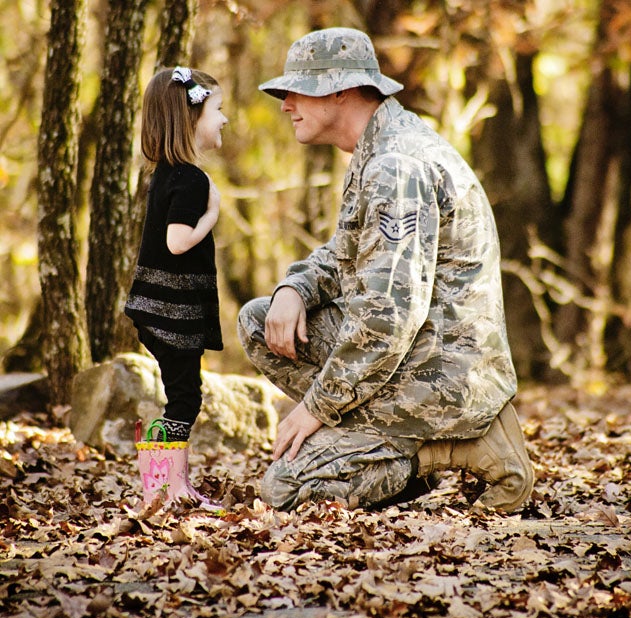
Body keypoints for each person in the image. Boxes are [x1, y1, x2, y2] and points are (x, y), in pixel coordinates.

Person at [238, 28, 534, 513]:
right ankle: (374, 445)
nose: (286, 103)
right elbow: (344, 256)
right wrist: (294, 287)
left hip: (439, 372)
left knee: (285, 491)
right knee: (260, 320)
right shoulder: (378, 150)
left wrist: (315, 409)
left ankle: (452, 446)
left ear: (340, 89)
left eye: (297, 90)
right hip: (415, 353)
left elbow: (386, 318)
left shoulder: (395, 165)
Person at [125, 66, 228, 507]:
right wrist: (212, 216)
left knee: (182, 396)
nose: (224, 120)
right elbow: (177, 241)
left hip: (157, 309)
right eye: (218, 110)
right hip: (172, 313)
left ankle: (170, 486)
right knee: (185, 401)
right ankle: (166, 488)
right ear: (191, 120)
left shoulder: (166, 174)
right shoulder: (190, 178)